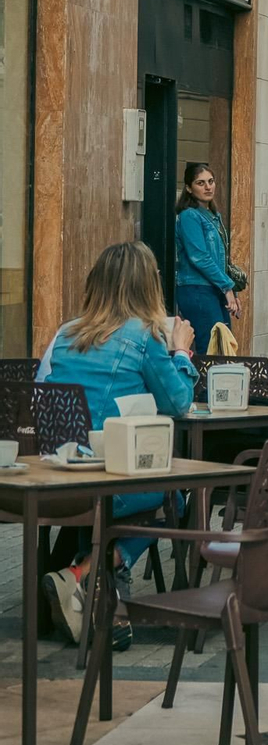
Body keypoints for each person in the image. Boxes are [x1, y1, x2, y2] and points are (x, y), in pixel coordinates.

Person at [37, 242, 197, 650]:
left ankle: (99, 601)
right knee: (174, 500)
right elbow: (178, 402)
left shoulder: (65, 333)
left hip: (58, 479)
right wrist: (180, 350)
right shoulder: (142, 338)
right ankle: (83, 573)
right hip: (111, 483)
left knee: (127, 501)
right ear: (148, 287)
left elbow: (41, 392)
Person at [173, 161, 237, 345]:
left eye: (211, 181)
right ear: (189, 188)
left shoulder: (213, 216)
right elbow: (199, 257)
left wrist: (232, 292)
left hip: (214, 288)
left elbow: (222, 260)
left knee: (224, 346)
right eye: (200, 183)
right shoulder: (189, 216)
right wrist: (227, 287)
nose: (208, 187)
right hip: (196, 288)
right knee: (212, 349)